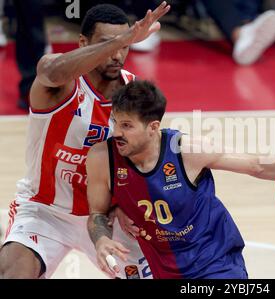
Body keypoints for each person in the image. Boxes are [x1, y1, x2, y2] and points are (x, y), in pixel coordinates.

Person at [86, 80, 275, 279]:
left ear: (153, 127)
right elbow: (97, 212)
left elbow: (256, 165)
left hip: (215, 259)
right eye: (115, 122)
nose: (116, 132)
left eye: (127, 126)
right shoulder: (102, 158)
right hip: (164, 266)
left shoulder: (187, 150)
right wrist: (101, 239)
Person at [0, 2, 170, 279]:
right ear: (83, 42)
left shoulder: (133, 93)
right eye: (108, 44)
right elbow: (51, 71)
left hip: (105, 216)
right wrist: (124, 38)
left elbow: (141, 161)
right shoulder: (59, 81)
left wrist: (125, 205)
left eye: (125, 46)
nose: (117, 54)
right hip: (45, 211)